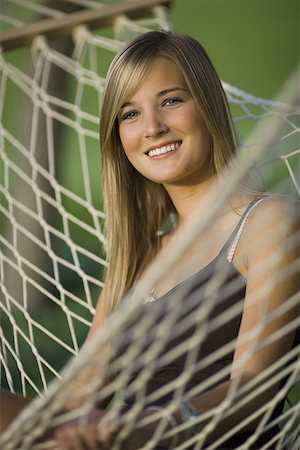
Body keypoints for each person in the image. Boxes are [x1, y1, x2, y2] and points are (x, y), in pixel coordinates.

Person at [1, 30, 299, 449]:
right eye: (130, 114)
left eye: (172, 101)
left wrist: (145, 429)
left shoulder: (268, 222)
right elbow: (73, 405)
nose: (153, 128)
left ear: (208, 104)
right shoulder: (137, 257)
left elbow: (254, 388)